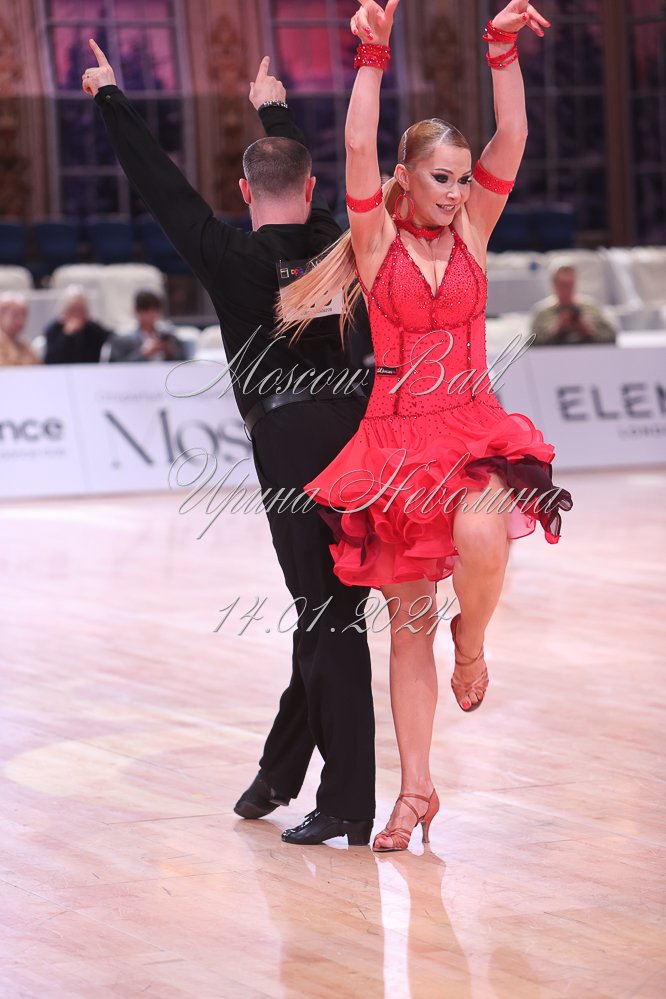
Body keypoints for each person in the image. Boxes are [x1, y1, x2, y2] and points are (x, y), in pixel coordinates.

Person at [278, 0, 573, 852]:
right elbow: (355, 145)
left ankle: (471, 641)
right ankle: (415, 791)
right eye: (441, 178)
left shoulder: (475, 228)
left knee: (482, 533)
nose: (456, 191)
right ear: (406, 178)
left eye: (462, 179)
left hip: (471, 424)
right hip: (398, 440)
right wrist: (371, 58)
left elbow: (514, 133)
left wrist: (501, 48)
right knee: (406, 628)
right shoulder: (375, 243)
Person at [82, 43, 376, 845]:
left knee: (328, 616)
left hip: (289, 441)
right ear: (310, 189)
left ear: (245, 192)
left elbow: (160, 184)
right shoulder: (333, 238)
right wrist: (273, 108)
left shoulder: (227, 255)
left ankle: (348, 801)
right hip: (360, 432)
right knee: (329, 609)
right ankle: (279, 772)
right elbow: (298, 174)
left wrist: (111, 96)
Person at [531, 264, 617, 346]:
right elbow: (532, 344)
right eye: (563, 285)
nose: (567, 290)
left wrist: (587, 331)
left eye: (570, 285)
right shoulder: (542, 313)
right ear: (554, 285)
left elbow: (612, 337)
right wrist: (556, 330)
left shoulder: (591, 309)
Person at [107, 289, 187, 362]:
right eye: (146, 310)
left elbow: (184, 362)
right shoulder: (122, 338)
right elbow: (115, 366)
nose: (151, 314)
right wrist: (143, 353)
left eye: (155, 309)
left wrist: (169, 351)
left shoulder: (169, 335)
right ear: (136, 310)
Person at [44, 286, 111, 364]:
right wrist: (67, 335)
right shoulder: (54, 329)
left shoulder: (93, 329)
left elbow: (111, 338)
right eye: (74, 309)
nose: (77, 314)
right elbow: (51, 359)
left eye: (81, 309)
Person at [0, 294, 39, 366]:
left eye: (24, 315)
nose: (21, 320)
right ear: (1, 314)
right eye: (15, 315)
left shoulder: (25, 345)